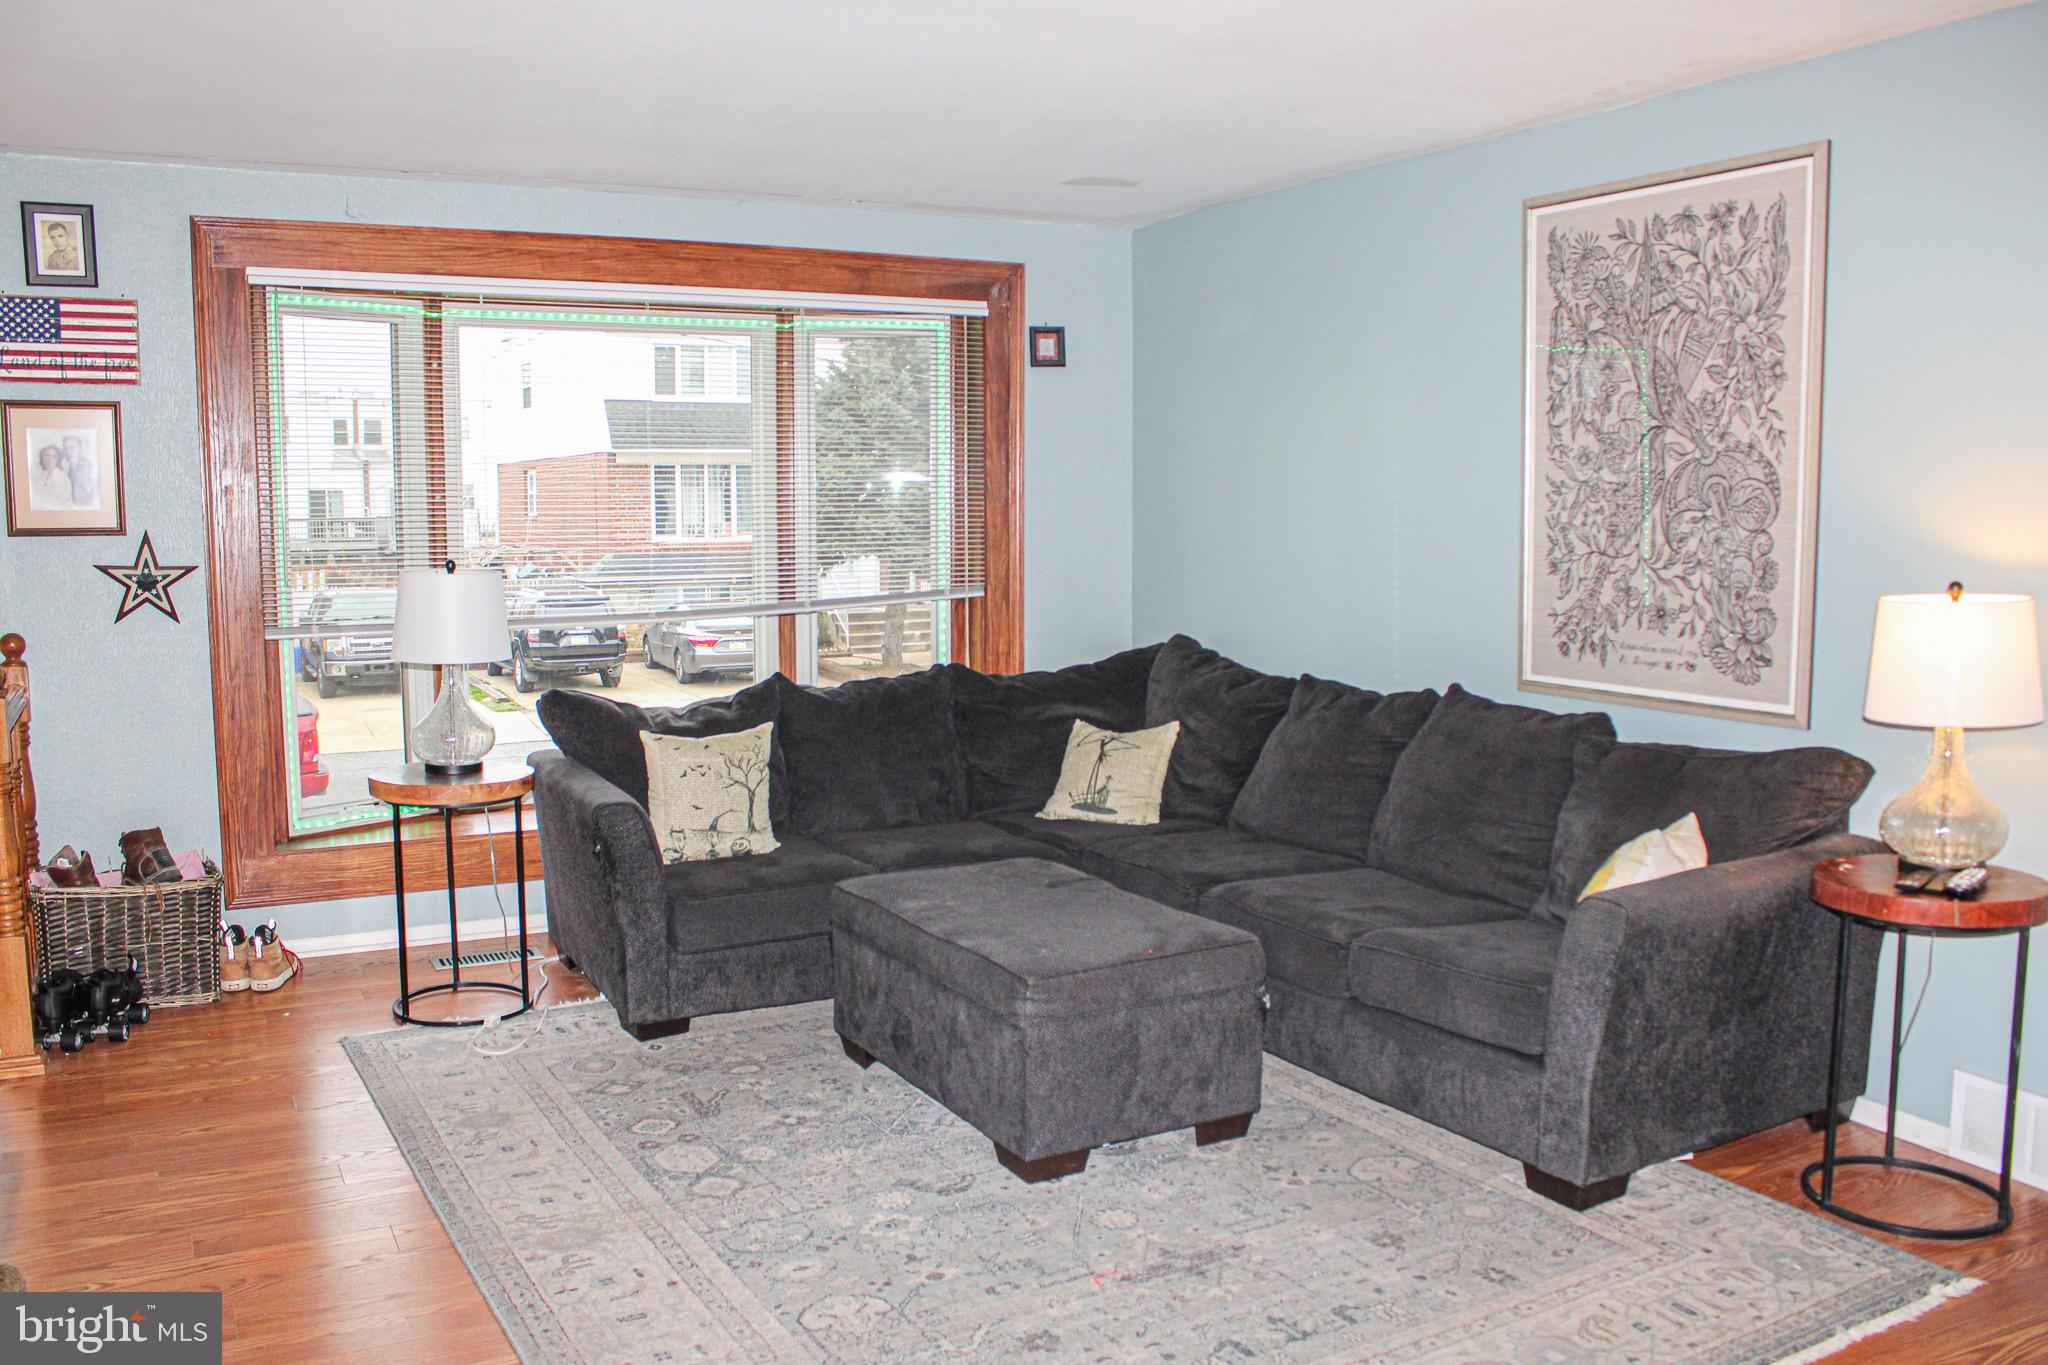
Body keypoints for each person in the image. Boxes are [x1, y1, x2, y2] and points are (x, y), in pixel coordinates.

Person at [30, 444, 71, 508]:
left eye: (54, 456)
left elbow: (59, 501)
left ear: (58, 459)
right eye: (46, 455)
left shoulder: (60, 477)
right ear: (42, 457)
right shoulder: (42, 475)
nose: (49, 459)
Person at [65, 436, 99, 508]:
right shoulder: (65, 467)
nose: (68, 452)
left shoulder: (90, 467)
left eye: (72, 448)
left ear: (80, 448)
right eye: (65, 449)